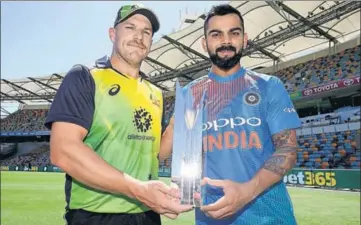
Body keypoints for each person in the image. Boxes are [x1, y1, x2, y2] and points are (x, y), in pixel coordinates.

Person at [44, 4, 192, 225]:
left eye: (146, 32)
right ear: (112, 34)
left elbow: (153, 155)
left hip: (148, 214)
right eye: (130, 27)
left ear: (151, 41)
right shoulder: (85, 77)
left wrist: (174, 127)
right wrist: (138, 189)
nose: (138, 36)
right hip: (96, 215)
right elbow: (63, 151)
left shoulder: (156, 93)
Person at [160, 4, 301, 225]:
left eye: (233, 33)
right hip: (211, 218)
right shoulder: (190, 94)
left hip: (270, 217)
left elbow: (288, 149)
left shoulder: (269, 86)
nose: (226, 41)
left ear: (244, 39)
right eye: (216, 35)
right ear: (204, 43)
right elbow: (162, 151)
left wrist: (247, 191)